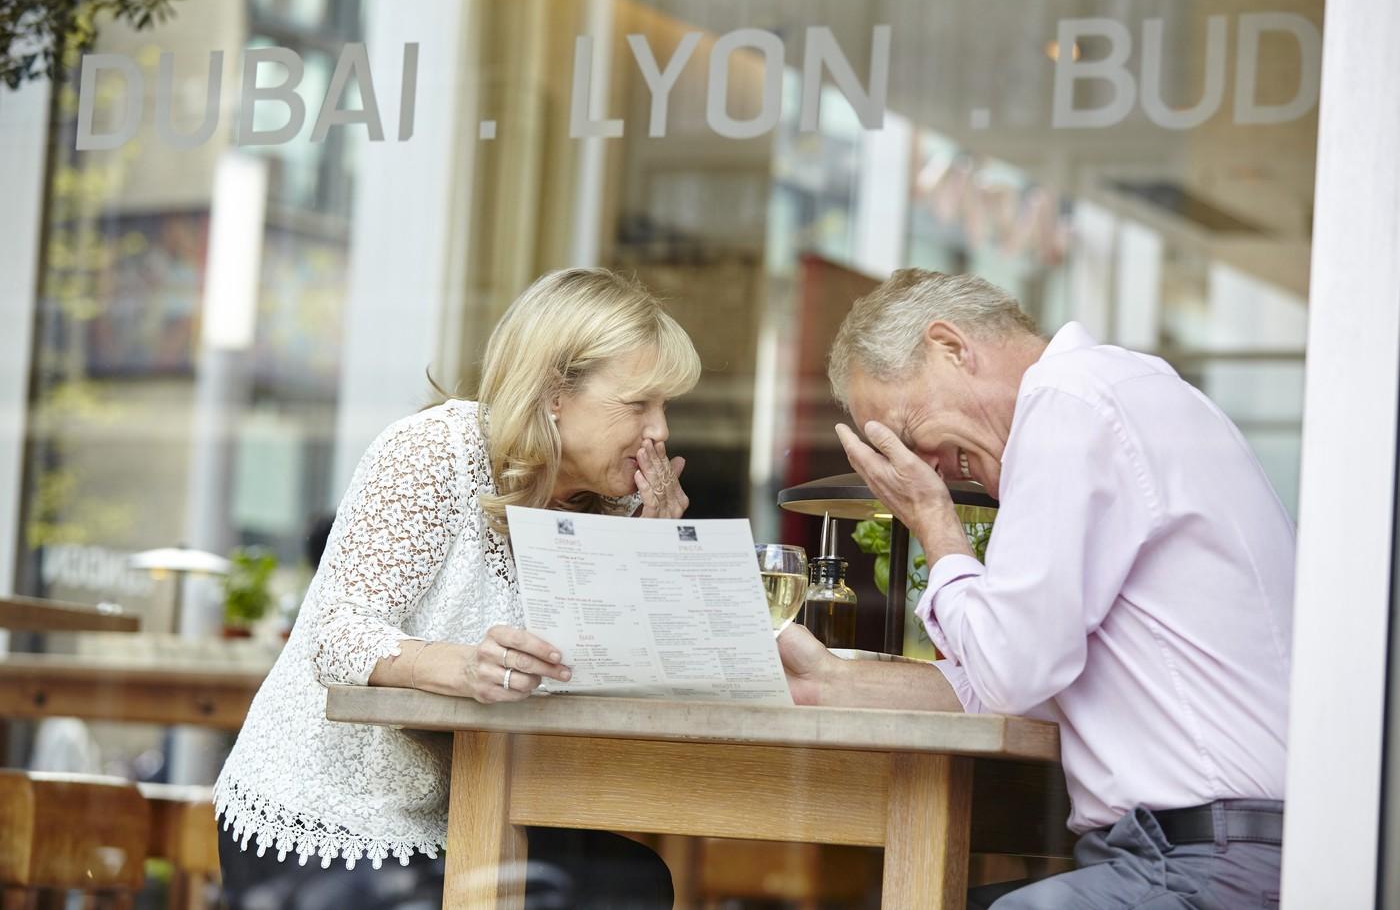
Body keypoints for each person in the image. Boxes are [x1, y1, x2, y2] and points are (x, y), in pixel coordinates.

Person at [778, 269, 1294, 909]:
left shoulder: (1068, 402)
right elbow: (1016, 674)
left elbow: (1014, 670)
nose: (919, 465)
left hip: (1203, 860)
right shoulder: (1119, 390)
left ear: (951, 347)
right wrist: (828, 681)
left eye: (907, 434)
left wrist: (936, 523)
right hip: (1216, 852)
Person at [215, 268, 698, 908]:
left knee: (633, 886)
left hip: (477, 813)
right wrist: (464, 667)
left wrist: (653, 567)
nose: (659, 430)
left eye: (665, 407)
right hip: (331, 816)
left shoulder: (611, 510)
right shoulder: (436, 450)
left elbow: (607, 685)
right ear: (555, 392)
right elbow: (336, 637)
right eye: (638, 404)